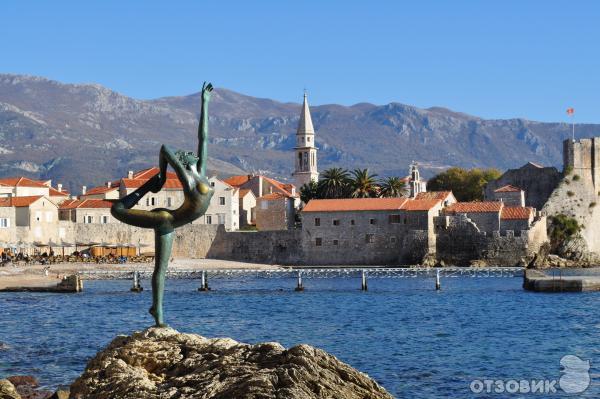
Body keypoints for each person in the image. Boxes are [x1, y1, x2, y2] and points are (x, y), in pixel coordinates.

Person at [111, 82, 214, 327]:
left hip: (172, 221)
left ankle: (156, 310)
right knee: (116, 210)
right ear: (183, 160)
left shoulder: (200, 171)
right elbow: (165, 148)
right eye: (188, 153)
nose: (194, 153)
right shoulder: (187, 177)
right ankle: (158, 315)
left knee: (162, 269)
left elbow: (204, 137)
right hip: (165, 220)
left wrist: (205, 102)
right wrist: (162, 174)